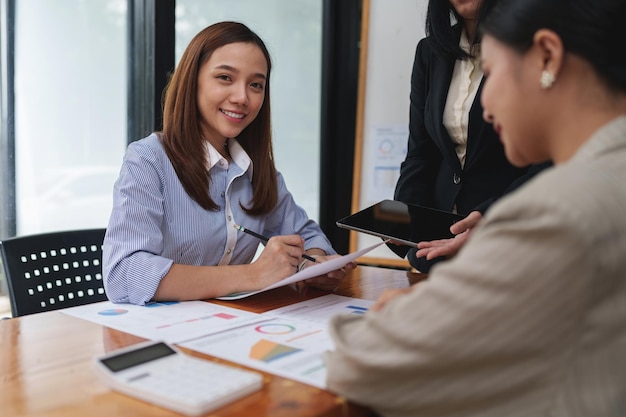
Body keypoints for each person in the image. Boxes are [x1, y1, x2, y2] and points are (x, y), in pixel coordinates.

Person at [326, 0, 626, 415]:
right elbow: (422, 152)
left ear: (547, 57)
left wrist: (402, 318)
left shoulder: (555, 215)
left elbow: (360, 365)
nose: (483, 107)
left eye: (494, 71)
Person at [103, 21, 353, 305]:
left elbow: (307, 234)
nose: (242, 97)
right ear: (192, 80)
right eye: (225, 77)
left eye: (256, 85)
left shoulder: (256, 169)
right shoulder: (148, 159)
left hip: (234, 328)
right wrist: (253, 275)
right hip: (160, 337)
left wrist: (313, 265)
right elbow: (123, 274)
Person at [392, 0, 548, 272]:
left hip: (508, 239)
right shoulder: (429, 51)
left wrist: (490, 214)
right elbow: (421, 152)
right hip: (435, 245)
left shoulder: (533, 47)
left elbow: (550, 160)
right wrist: (402, 217)